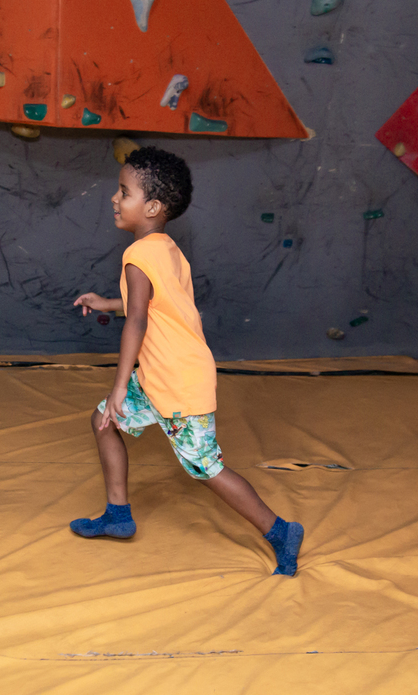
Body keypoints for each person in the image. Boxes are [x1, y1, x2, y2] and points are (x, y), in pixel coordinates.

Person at [70, 146, 304, 576]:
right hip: (162, 374)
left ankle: (280, 531)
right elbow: (154, 305)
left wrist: (120, 385)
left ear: (153, 207)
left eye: (124, 192)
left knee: (205, 468)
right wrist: (107, 302)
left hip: (177, 381)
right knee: (104, 420)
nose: (115, 198)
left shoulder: (137, 256)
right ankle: (117, 514)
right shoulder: (166, 248)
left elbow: (138, 320)